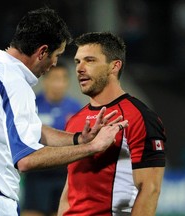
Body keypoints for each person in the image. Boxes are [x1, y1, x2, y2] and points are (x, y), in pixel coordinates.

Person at [0, 8, 128, 216]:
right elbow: (27, 159)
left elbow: (29, 129)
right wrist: (93, 147)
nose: (54, 64)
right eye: (56, 55)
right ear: (42, 52)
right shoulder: (15, 84)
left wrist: (79, 139)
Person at [57, 32, 166, 216]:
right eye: (77, 62)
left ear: (114, 66)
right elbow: (70, 187)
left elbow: (150, 189)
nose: (80, 68)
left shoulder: (140, 117)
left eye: (89, 60)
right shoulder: (75, 120)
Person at [22, 63, 82, 216]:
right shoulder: (32, 104)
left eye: (63, 79)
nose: (59, 84)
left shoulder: (75, 108)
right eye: (55, 78)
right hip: (37, 173)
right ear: (46, 80)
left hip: (64, 174)